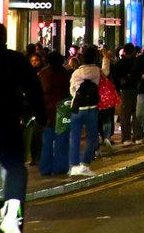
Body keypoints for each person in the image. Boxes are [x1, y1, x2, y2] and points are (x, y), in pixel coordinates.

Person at [0, 20, 45, 233]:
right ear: (4, 39)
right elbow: (34, 89)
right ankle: (11, 216)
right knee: (15, 167)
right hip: (5, 121)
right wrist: (40, 116)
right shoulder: (14, 59)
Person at [67, 44, 102, 177]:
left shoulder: (76, 72)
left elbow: (72, 90)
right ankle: (85, 165)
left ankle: (74, 166)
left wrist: (77, 96)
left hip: (77, 108)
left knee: (74, 137)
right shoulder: (96, 71)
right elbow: (105, 72)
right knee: (91, 137)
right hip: (91, 108)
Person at [37, 51, 70, 176]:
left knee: (47, 141)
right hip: (62, 109)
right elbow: (67, 91)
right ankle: (60, 167)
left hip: (48, 110)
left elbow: (40, 92)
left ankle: (45, 167)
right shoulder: (64, 73)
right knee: (62, 140)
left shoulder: (43, 74)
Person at [112, 43, 139, 144]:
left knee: (125, 115)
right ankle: (137, 136)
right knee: (136, 114)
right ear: (133, 51)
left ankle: (126, 137)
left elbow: (115, 78)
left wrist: (117, 89)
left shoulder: (119, 63)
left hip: (124, 90)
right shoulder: (136, 62)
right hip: (135, 89)